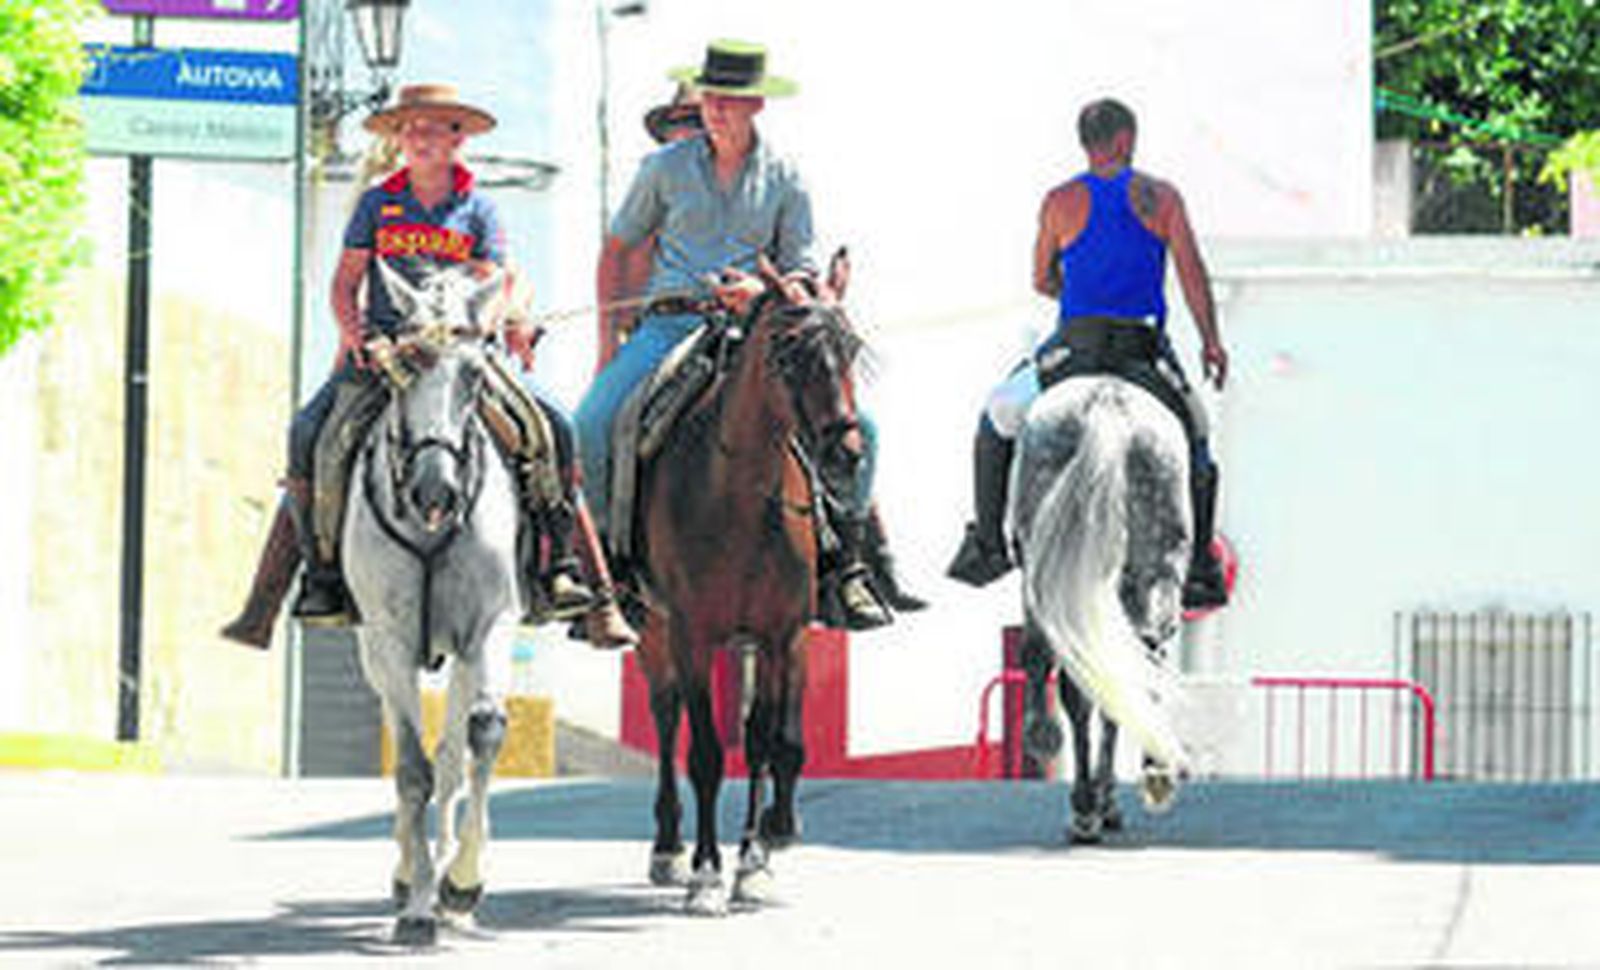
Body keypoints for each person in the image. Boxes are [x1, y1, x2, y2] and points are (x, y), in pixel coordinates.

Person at [222, 83, 637, 649]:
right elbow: (345, 285)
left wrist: (478, 326)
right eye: (409, 128)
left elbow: (494, 282)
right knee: (310, 434)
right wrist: (357, 335)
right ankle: (296, 587)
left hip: (463, 355)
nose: (417, 137)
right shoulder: (377, 203)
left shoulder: (480, 209)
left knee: (555, 430)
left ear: (456, 138)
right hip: (386, 354)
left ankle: (574, 578)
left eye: (431, 127)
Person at [575, 40, 923, 631]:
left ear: (756, 103)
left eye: (728, 100)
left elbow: (803, 271)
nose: (715, 109)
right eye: (710, 97)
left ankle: (849, 567)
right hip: (671, 322)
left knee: (861, 428)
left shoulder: (788, 177)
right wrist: (609, 346)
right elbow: (617, 250)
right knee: (591, 421)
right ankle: (610, 573)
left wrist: (762, 297)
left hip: (761, 331)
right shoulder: (661, 170)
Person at [946, 97, 1231, 610]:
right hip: (1142, 351)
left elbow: (1040, 278)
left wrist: (1079, 294)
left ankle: (988, 541)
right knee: (1197, 434)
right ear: (1124, 139)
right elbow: (1191, 273)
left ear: (1086, 143)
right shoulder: (1161, 197)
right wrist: (1211, 341)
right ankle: (1203, 564)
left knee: (998, 414)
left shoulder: (1059, 201)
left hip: (1074, 348)